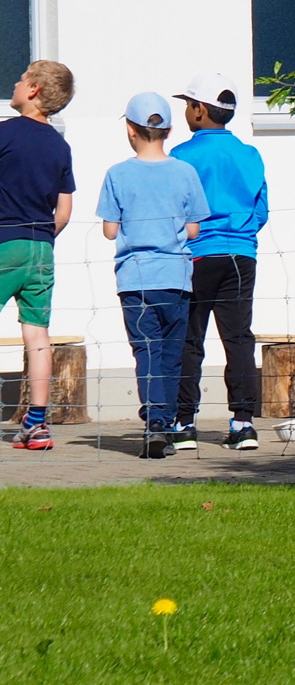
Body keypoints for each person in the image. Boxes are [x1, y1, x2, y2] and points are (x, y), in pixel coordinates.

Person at [98, 92, 211, 458]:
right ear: (170, 131)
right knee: (172, 354)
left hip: (135, 279)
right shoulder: (185, 172)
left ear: (131, 130)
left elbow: (110, 231)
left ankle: (154, 424)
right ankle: (168, 422)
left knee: (146, 351)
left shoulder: (117, 174)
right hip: (176, 277)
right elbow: (194, 229)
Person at [168, 72, 268, 451]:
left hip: (197, 255)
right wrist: (239, 232)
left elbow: (174, 211)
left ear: (199, 110)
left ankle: (184, 423)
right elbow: (261, 211)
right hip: (241, 255)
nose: (186, 112)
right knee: (239, 338)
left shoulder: (181, 156)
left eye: (187, 104)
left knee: (189, 338)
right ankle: (243, 423)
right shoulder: (250, 155)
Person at [1, 60, 75, 453]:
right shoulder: (60, 146)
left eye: (21, 78)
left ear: (33, 90)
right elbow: (64, 211)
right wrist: (42, 237)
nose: (15, 83)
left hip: (5, 241)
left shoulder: (5, 133)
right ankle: (37, 424)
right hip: (41, 247)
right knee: (37, 333)